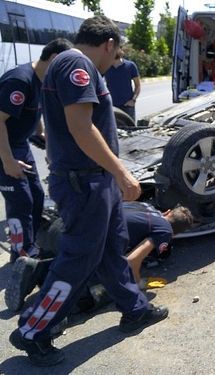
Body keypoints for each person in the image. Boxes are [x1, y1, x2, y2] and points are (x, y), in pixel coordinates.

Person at [9, 16, 168, 367]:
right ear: (109, 43)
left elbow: (66, 129)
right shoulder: (76, 63)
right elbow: (81, 129)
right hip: (86, 183)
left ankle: (135, 309)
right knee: (78, 259)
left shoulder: (69, 63)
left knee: (111, 249)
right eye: (117, 53)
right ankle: (33, 330)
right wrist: (123, 173)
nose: (117, 60)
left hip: (95, 181)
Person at [6, 202, 194, 312]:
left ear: (168, 212)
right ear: (175, 234)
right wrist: (137, 285)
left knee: (84, 262)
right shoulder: (165, 231)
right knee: (103, 288)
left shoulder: (145, 206)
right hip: (79, 241)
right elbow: (131, 261)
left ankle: (37, 268)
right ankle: (55, 305)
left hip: (61, 226)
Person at [0, 38, 73, 264]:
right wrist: (8, 161)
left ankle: (30, 247)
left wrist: (40, 133)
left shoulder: (42, 80)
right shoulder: (19, 81)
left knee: (37, 197)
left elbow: (35, 110)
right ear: (53, 59)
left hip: (20, 145)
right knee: (20, 201)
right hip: (5, 149)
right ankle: (21, 254)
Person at [104, 50, 140, 121]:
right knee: (114, 130)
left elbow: (138, 85)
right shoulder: (106, 67)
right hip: (112, 106)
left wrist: (133, 100)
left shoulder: (130, 65)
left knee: (130, 129)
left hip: (127, 105)